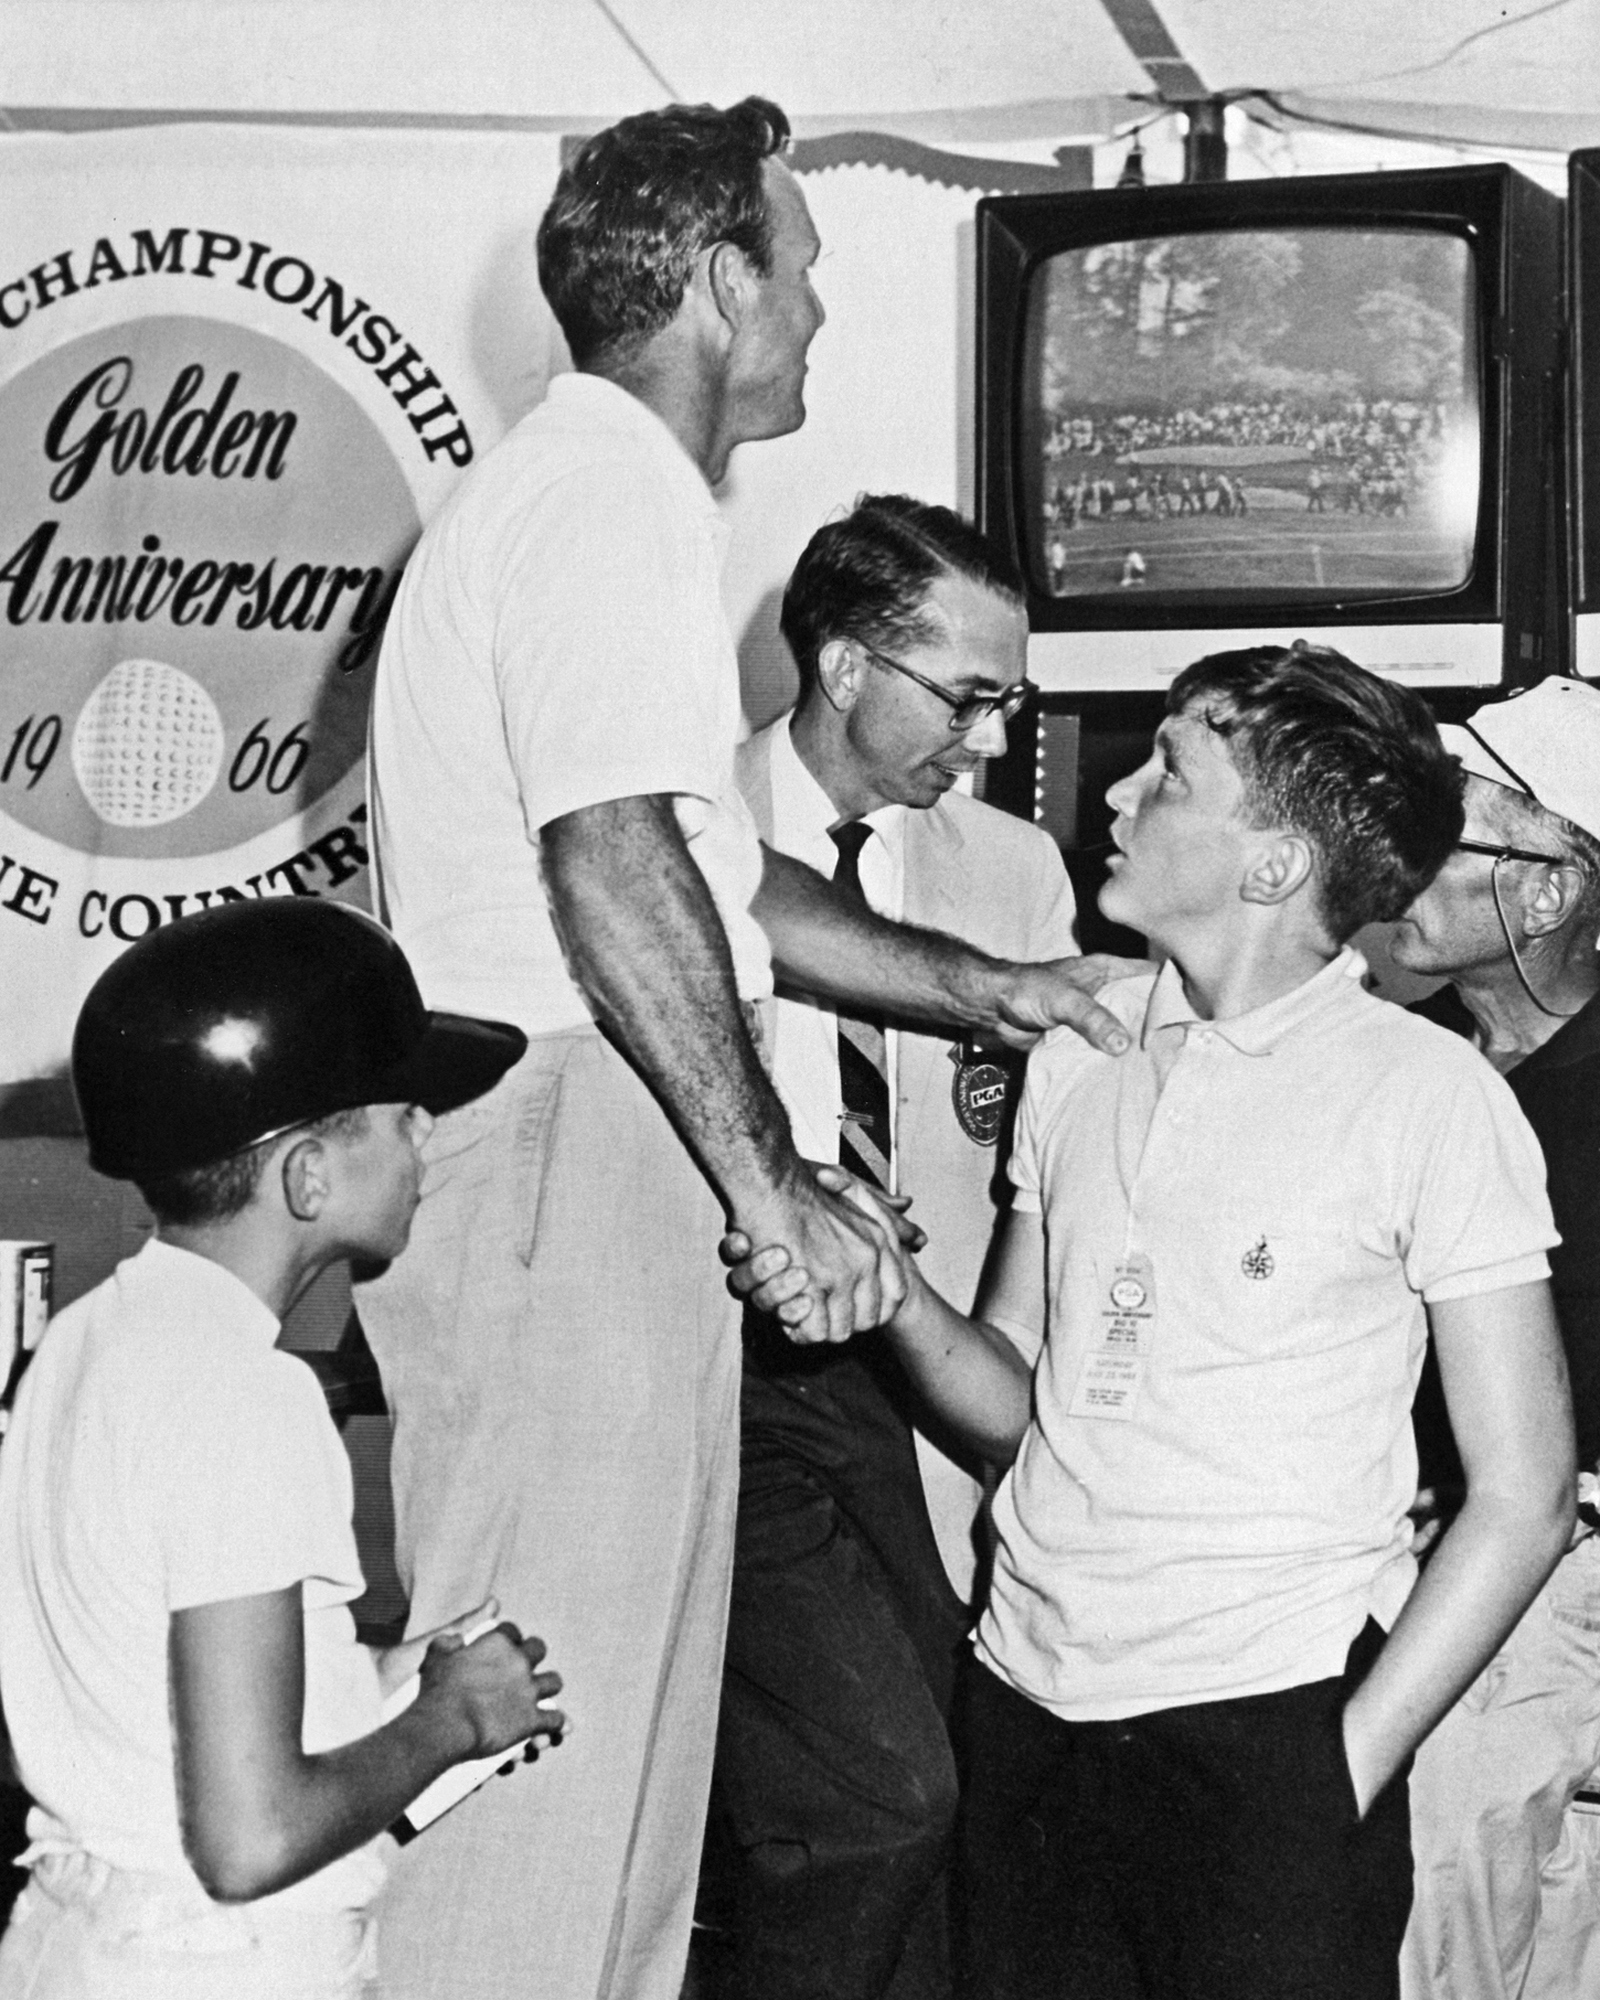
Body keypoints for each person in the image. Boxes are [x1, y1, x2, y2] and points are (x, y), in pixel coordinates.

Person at [358, 97, 1127, 2000]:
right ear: (720, 283)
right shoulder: (604, 492)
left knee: (623, 1781)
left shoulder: (599, 495)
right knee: (546, 1768)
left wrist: (978, 985)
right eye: (806, 270)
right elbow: (614, 867)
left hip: (593, 1170)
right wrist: (775, 1185)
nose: (819, 314)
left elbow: (715, 871)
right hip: (562, 1159)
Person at [731, 643, 1577, 2000]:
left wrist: (1342, 1766)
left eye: (1169, 773)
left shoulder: (1427, 1094)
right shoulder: (1078, 1048)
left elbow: (1525, 1493)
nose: (1116, 795)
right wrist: (892, 1293)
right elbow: (1015, 1396)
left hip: (1265, 1732)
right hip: (1025, 1714)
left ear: (1274, 865)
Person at [0, 899, 564, 2000]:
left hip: (77, 1942)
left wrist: (373, 1686)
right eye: (402, 1115)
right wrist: (451, 1718)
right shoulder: (247, 1393)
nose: (426, 1138)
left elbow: (111, 1708)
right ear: (307, 1176)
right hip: (221, 1965)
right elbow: (250, 1839)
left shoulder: (83, 1342)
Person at [711, 496, 1079, 2000]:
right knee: (864, 1798)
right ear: (848, 664)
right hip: (738, 1384)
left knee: (942, 1813)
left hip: (929, 1396)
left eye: (1009, 701)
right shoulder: (680, 832)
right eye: (967, 696)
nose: (988, 740)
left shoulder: (1016, 872)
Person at [1389, 675, 1600, 2000]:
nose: (1392, 856)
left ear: (1546, 890)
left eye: (1439, 830)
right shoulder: (1393, 1067)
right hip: (1438, 1568)